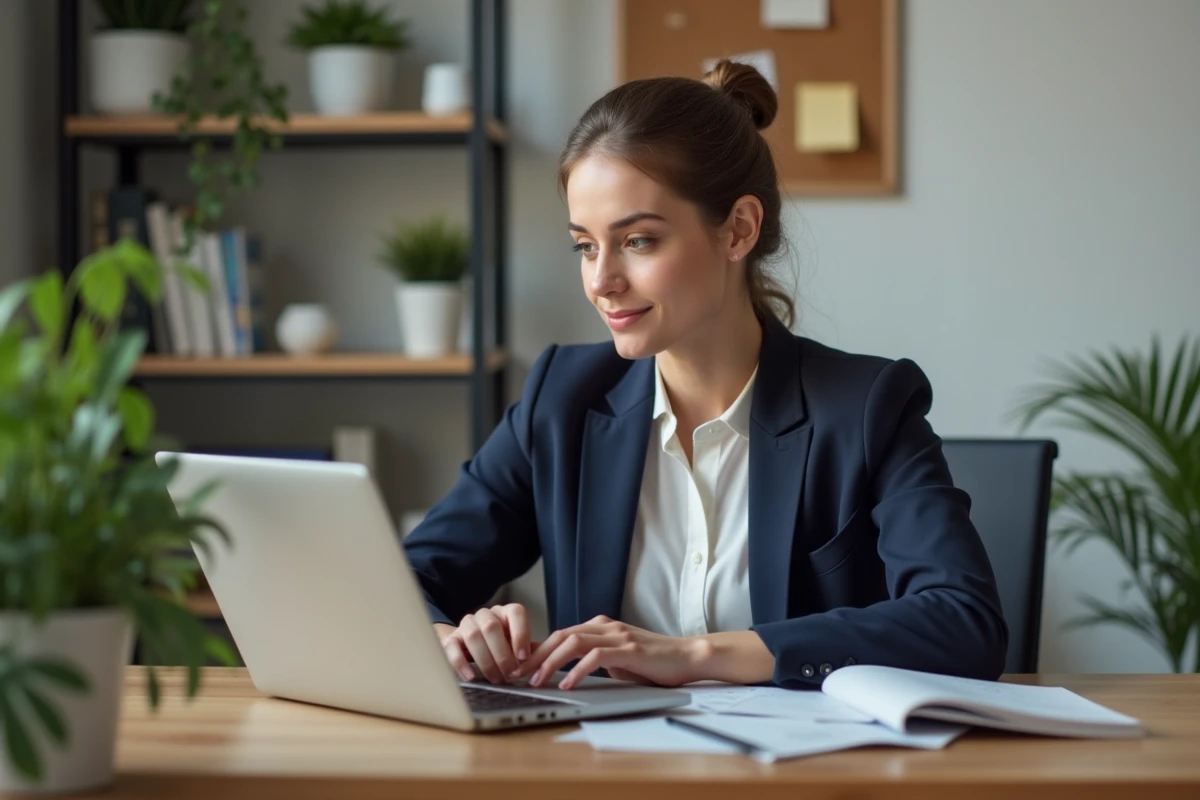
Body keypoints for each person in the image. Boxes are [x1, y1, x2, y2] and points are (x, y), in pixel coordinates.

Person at [402, 60, 1007, 692]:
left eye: (638, 241)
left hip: (802, 756)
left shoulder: (866, 408)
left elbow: (965, 623)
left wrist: (694, 656)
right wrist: (449, 638)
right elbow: (405, 582)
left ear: (738, 230)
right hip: (600, 753)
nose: (601, 281)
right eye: (585, 245)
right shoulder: (561, 398)